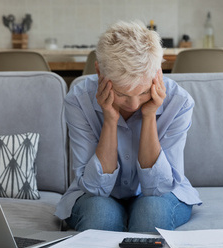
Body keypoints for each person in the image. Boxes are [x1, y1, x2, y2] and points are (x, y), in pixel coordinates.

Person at [55, 20, 201, 232]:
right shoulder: (79, 101)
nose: (133, 104)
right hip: (97, 196)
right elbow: (96, 188)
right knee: (100, 214)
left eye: (143, 92)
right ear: (99, 72)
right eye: (122, 94)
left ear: (157, 73)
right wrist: (110, 119)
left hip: (162, 194)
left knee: (150, 212)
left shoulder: (179, 102)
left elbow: (157, 188)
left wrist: (149, 115)